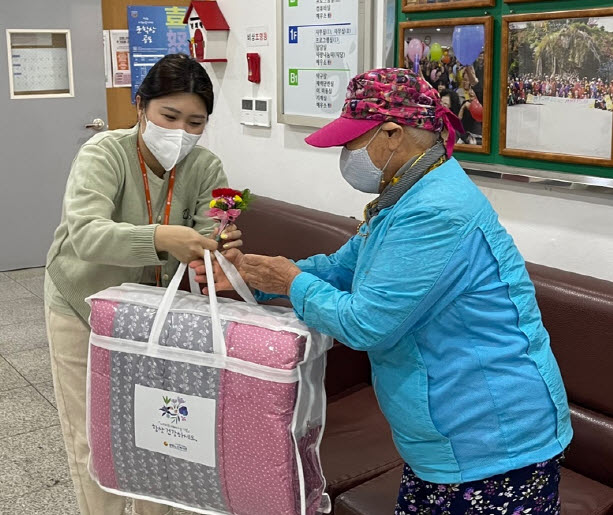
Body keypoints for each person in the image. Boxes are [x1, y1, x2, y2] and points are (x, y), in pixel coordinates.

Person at [194, 68, 573, 513]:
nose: (344, 155)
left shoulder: (435, 211)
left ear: (392, 134)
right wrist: (249, 276)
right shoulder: (404, 199)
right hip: (443, 439)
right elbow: (340, 268)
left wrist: (287, 281)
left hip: (490, 440)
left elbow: (366, 324)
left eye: (351, 143)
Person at [44, 54, 241, 515]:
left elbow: (214, 226)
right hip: (83, 305)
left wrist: (219, 247)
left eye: (195, 122)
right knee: (95, 436)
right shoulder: (104, 153)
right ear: (141, 106)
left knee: (159, 436)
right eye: (168, 116)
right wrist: (162, 238)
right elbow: (86, 234)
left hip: (155, 318)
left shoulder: (207, 166)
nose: (180, 132)